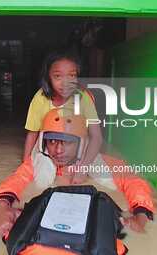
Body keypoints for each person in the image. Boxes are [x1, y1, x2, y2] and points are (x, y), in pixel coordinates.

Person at [0, 109, 155, 255]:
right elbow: (16, 180)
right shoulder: (37, 164)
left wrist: (141, 213)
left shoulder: (100, 163)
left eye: (67, 141)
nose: (58, 150)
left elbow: (134, 181)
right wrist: (1, 206)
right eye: (52, 141)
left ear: (82, 144)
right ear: (43, 142)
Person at [23, 49, 102, 184]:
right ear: (48, 77)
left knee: (103, 175)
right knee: (41, 177)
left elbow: (96, 137)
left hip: (78, 146)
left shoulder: (83, 98)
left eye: (71, 76)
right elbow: (33, 133)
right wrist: (25, 164)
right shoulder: (40, 98)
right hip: (49, 147)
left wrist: (83, 168)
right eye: (58, 76)